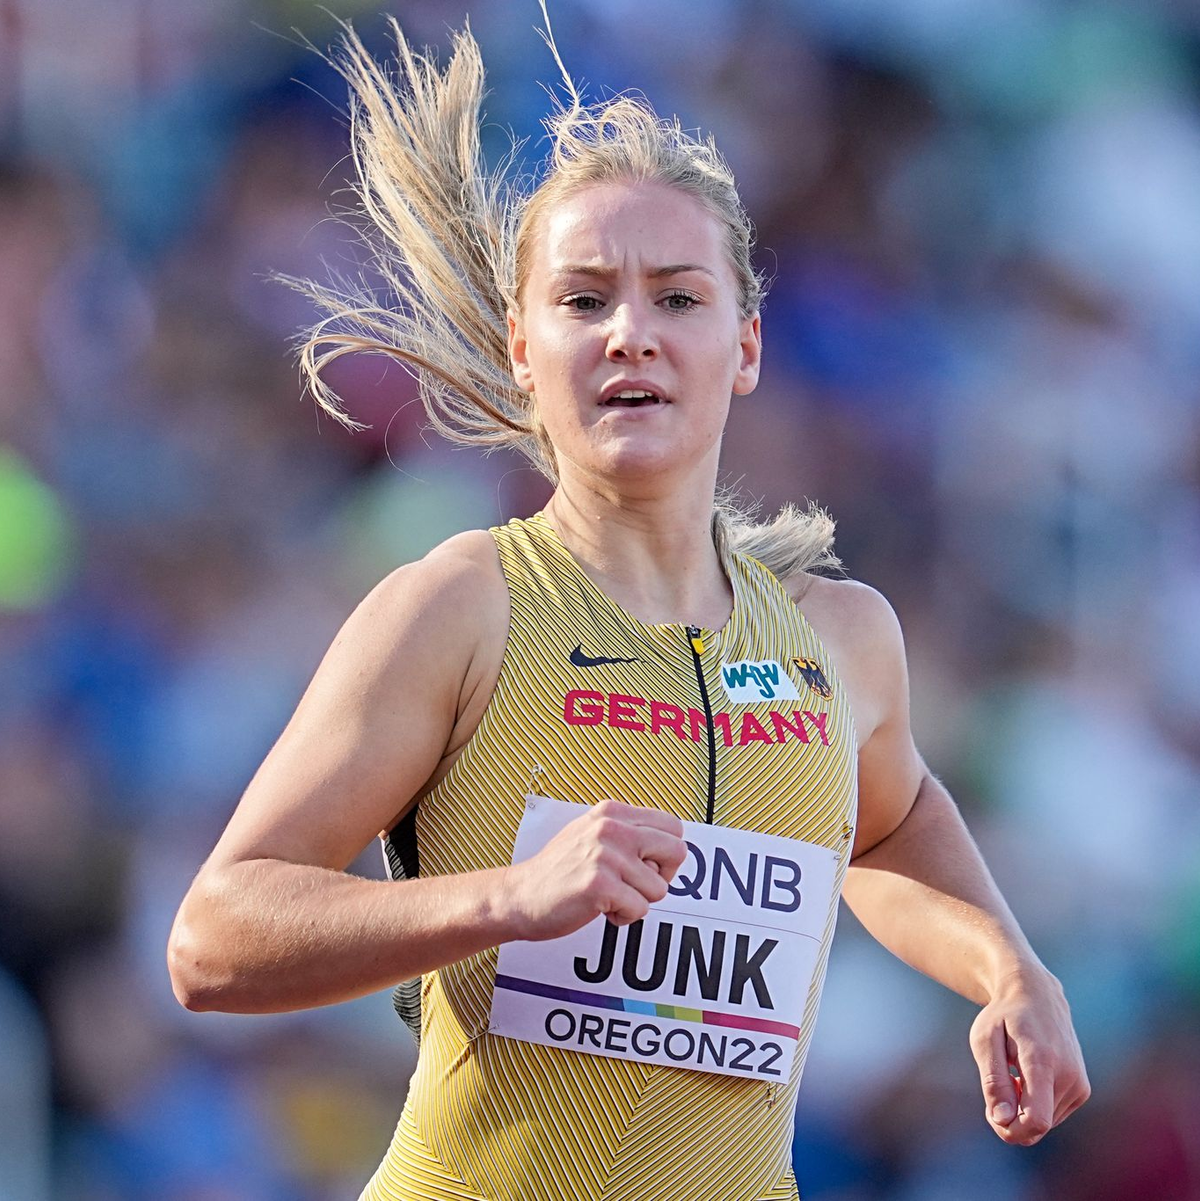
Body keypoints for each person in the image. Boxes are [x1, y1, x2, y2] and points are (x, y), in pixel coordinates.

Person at [167, 15, 1090, 1201]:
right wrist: (509, 899)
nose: (630, 333)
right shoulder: (461, 607)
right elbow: (212, 940)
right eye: (585, 297)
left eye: (678, 299)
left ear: (746, 344)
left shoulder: (839, 638)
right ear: (521, 349)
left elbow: (888, 827)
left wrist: (1011, 967)